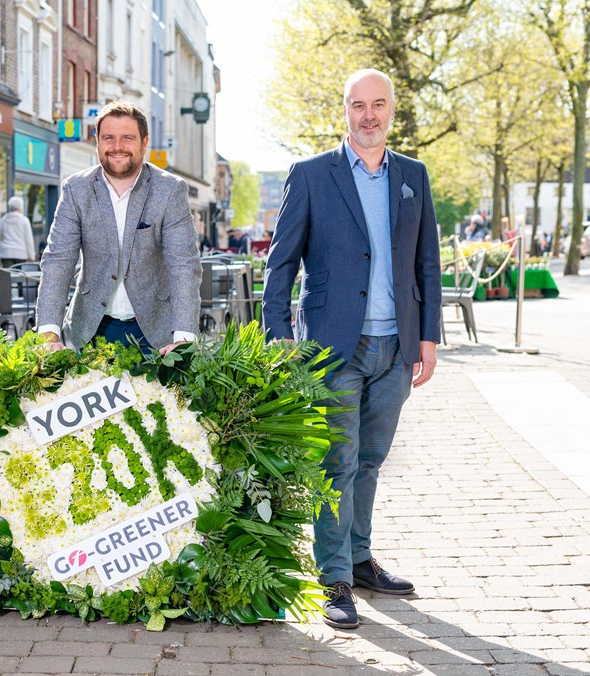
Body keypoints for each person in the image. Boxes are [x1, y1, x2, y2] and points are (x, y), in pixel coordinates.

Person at [260, 69, 441, 630]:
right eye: (359, 105)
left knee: (370, 460)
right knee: (334, 462)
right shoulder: (313, 175)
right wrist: (278, 337)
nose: (369, 115)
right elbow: (280, 263)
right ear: (345, 111)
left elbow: (426, 262)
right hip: (333, 346)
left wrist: (428, 336)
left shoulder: (413, 175)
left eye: (379, 104)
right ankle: (332, 576)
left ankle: (360, 560)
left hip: (396, 346)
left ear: (392, 110)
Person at [35, 100, 201, 354]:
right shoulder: (75, 189)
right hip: (91, 328)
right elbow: (58, 260)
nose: (117, 147)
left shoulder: (169, 190)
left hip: (157, 331)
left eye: (127, 138)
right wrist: (48, 331)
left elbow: (183, 264)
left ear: (144, 143)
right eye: (108, 138)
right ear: (97, 142)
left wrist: (184, 336)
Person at [0, 195, 36, 267]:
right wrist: (32, 256)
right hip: (21, 254)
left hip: (6, 253)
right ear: (20, 207)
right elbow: (28, 239)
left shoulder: (4, 219)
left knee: (8, 276)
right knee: (19, 276)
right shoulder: (24, 220)